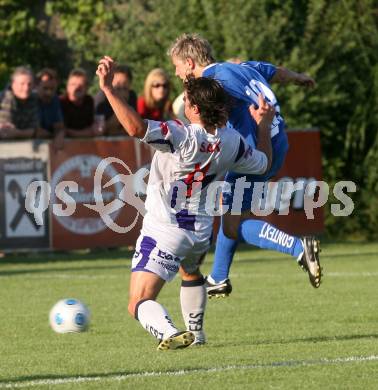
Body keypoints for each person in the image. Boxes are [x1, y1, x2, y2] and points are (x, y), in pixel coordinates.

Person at [96, 55, 274, 350]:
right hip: (201, 232)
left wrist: (109, 90)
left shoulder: (182, 135)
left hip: (166, 229)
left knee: (138, 302)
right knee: (190, 272)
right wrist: (264, 126)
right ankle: (198, 335)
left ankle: (168, 332)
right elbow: (264, 164)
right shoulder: (233, 141)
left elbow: (135, 128)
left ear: (193, 108)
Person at [168, 33, 321, 297]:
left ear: (190, 62)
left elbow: (211, 121)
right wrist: (298, 78)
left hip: (253, 151)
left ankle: (298, 247)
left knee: (231, 224)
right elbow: (274, 72)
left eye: (177, 66)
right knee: (231, 211)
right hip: (276, 141)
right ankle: (218, 277)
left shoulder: (215, 82)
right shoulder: (241, 68)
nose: (176, 72)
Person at [94, 64, 137, 135]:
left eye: (125, 88)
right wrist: (122, 105)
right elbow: (101, 130)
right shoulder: (101, 98)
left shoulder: (132, 96)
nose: (122, 92)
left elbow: (135, 126)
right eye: (118, 88)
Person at [60, 68, 102, 137]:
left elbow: (93, 129)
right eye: (73, 84)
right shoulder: (61, 102)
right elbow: (60, 130)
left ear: (87, 87)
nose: (77, 88)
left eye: (81, 85)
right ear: (67, 86)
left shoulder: (89, 101)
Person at [0, 66, 39, 139]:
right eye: (22, 84)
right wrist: (24, 133)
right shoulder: (5, 98)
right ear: (13, 84)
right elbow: (6, 132)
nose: (26, 88)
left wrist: (18, 133)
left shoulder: (33, 98)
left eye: (29, 84)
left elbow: (34, 130)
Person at [36, 68, 65, 149]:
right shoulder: (30, 100)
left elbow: (59, 126)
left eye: (52, 89)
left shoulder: (54, 100)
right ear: (36, 86)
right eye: (45, 88)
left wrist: (60, 133)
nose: (48, 92)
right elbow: (37, 132)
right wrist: (53, 135)